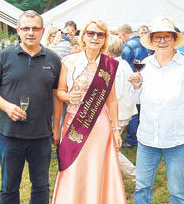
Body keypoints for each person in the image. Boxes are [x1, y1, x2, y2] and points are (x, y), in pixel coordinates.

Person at [0, 10, 62, 203]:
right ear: (18, 30)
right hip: (10, 135)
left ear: (43, 31)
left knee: (41, 185)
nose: (30, 33)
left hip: (41, 135)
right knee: (9, 187)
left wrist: (56, 127)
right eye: (26, 28)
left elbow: (57, 96)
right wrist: (6, 106)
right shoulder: (4, 56)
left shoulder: (53, 59)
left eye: (35, 28)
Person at [129, 17, 184, 203]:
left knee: (177, 192)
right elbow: (136, 100)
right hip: (147, 139)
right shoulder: (144, 64)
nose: (162, 41)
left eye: (166, 37)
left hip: (177, 139)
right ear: (152, 41)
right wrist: (136, 87)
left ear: (174, 39)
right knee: (142, 188)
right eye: (157, 37)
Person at [52, 20, 126, 204]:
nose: (95, 37)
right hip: (73, 124)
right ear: (83, 36)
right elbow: (59, 92)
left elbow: (112, 100)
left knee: (97, 167)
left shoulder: (109, 65)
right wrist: (68, 97)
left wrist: (116, 129)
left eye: (100, 34)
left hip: (100, 126)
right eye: (91, 33)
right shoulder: (70, 61)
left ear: (105, 39)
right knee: (73, 166)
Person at [107, 34, 137, 181]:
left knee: (110, 150)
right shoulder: (124, 63)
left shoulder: (113, 66)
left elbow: (114, 95)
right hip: (125, 111)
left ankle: (136, 176)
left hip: (118, 114)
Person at [117, 24, 148, 148]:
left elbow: (123, 63)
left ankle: (131, 139)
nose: (120, 39)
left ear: (124, 34)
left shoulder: (128, 46)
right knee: (139, 109)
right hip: (142, 77)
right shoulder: (142, 42)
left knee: (132, 109)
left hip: (131, 79)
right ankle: (137, 135)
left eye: (120, 36)